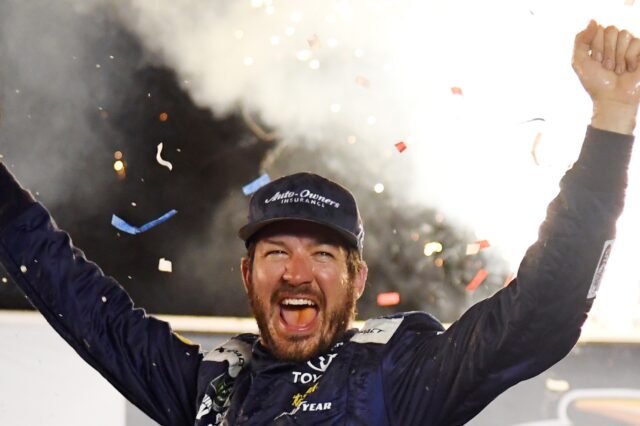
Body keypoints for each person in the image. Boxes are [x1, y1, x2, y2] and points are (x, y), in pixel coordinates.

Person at [0, 19, 637, 426]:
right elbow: (74, 295)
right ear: (246, 275)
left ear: (357, 281)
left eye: (324, 256)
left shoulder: (400, 376)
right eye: (276, 253)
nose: (297, 273)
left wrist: (611, 121)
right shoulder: (209, 387)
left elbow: (543, 309)